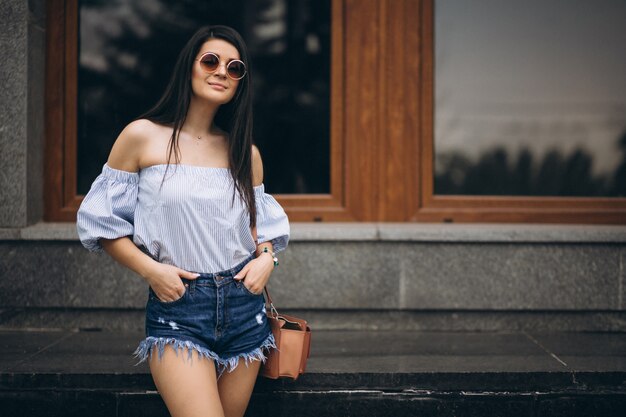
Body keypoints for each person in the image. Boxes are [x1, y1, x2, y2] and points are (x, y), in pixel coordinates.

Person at [76, 25, 289, 417]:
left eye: (235, 67)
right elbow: (102, 223)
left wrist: (266, 260)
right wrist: (152, 271)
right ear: (188, 69)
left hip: (245, 310)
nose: (222, 71)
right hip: (179, 309)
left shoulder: (245, 153)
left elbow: (262, 230)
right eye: (210, 61)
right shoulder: (142, 137)